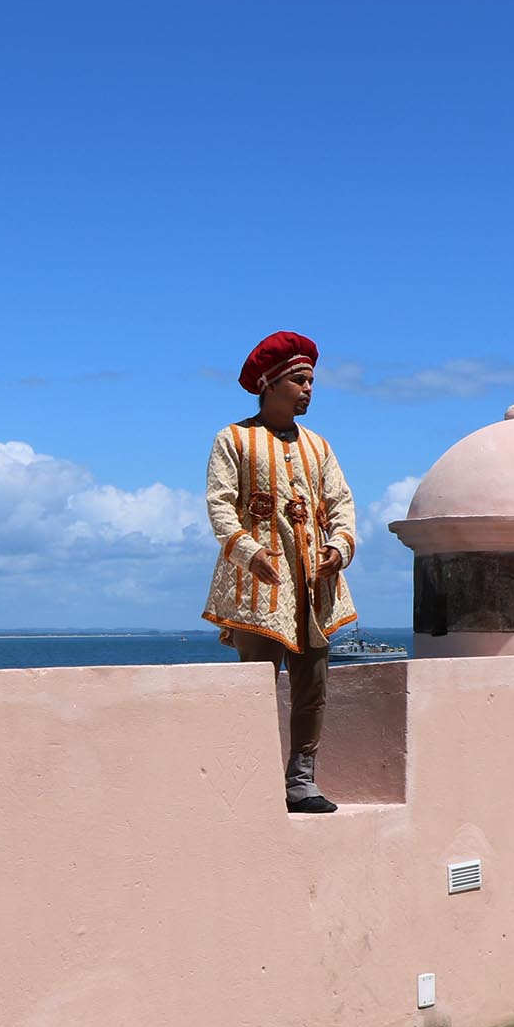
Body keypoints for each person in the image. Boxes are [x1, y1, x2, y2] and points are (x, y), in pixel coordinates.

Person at [202, 331, 358, 813]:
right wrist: (249, 553)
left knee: (313, 684)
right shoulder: (234, 439)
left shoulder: (319, 446)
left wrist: (339, 546)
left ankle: (301, 780)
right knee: (256, 683)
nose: (309, 389)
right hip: (258, 589)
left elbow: (341, 503)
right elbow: (220, 504)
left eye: (312, 380)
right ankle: (254, 775)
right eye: (299, 380)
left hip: (315, 586)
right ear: (270, 383)